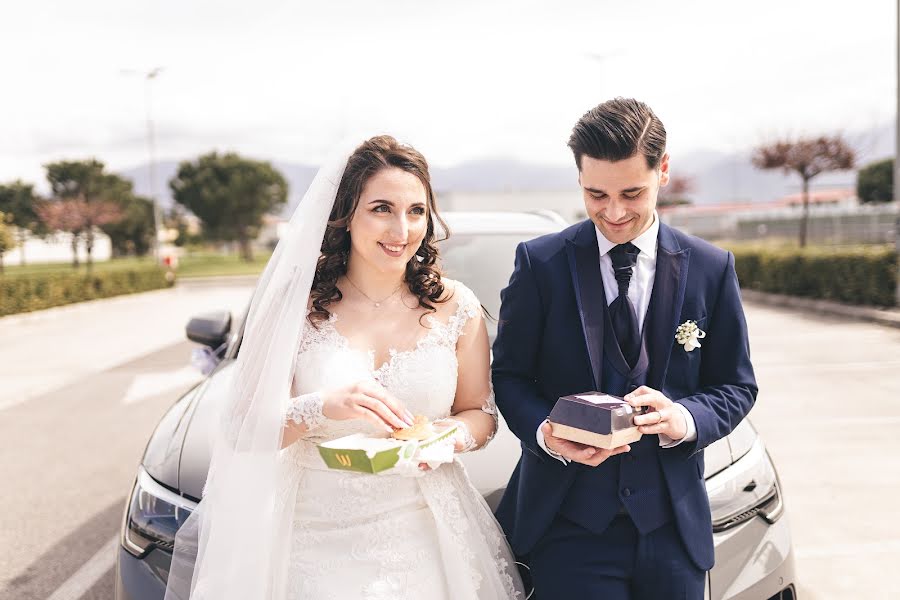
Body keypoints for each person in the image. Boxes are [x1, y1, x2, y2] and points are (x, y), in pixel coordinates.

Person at [166, 135, 525, 600]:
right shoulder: (295, 306)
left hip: (426, 531)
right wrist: (321, 407)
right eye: (381, 208)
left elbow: (480, 414)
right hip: (310, 539)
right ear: (346, 214)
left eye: (416, 211)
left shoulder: (456, 306)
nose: (402, 230)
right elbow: (242, 429)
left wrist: (447, 438)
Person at [492, 98, 758, 599]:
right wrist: (547, 433)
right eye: (597, 194)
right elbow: (508, 375)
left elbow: (736, 384)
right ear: (579, 179)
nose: (613, 213)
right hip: (567, 526)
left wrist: (685, 418)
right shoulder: (540, 264)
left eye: (632, 193)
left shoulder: (711, 267)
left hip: (673, 529)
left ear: (664, 170)